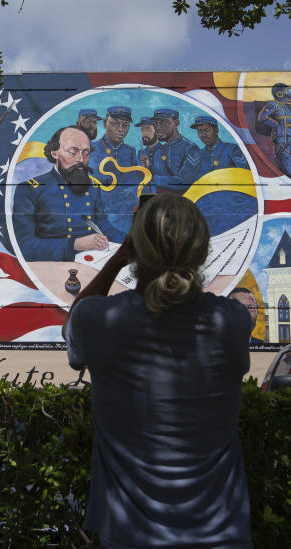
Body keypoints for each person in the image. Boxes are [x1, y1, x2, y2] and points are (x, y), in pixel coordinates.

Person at [64, 194, 252, 548]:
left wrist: (117, 260)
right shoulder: (231, 321)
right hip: (224, 536)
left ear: (137, 247)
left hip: (130, 537)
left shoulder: (102, 320)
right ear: (201, 250)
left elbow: (76, 318)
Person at [12, 126, 123, 262]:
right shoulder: (31, 189)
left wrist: (133, 241)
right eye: (72, 152)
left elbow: (105, 227)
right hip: (52, 266)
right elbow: (24, 246)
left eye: (86, 153)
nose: (81, 160)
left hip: (93, 260)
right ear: (54, 153)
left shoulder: (93, 187)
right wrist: (74, 244)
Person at [178, 115, 249, 183]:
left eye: (207, 130)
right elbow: (185, 179)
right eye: (200, 131)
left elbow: (246, 174)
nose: (204, 135)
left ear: (216, 130)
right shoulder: (197, 155)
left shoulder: (232, 149)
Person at [257, 83, 291, 181]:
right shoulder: (273, 105)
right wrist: (276, 125)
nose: (290, 92)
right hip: (283, 144)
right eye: (286, 90)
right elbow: (262, 117)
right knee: (287, 171)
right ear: (279, 93)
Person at [142, 108, 197, 191]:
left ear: (176, 123)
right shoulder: (159, 150)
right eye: (155, 124)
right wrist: (149, 167)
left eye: (164, 123)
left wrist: (153, 178)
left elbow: (185, 182)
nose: (158, 128)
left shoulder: (190, 148)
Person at [89, 106, 137, 174]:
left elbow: (135, 178)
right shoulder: (92, 147)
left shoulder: (130, 151)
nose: (121, 129)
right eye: (115, 123)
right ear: (105, 123)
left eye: (126, 125)